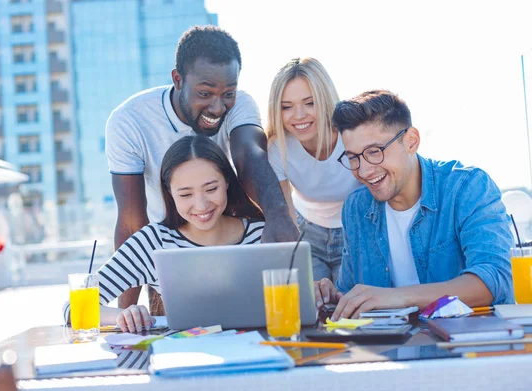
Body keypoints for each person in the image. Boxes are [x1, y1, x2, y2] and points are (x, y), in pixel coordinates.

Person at [105, 25, 296, 310]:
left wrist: (279, 217)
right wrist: (126, 312)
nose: (218, 108)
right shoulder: (130, 120)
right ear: (178, 80)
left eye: (227, 93)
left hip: (234, 251)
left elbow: (250, 157)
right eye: (205, 94)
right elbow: (132, 218)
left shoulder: (240, 104)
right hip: (170, 265)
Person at [314, 89, 514, 319]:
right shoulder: (356, 208)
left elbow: (495, 279)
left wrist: (396, 296)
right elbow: (353, 294)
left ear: (411, 141)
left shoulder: (467, 188)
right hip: (390, 348)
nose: (364, 170)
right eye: (353, 157)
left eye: (374, 151)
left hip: (467, 347)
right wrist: (332, 296)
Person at [64, 135, 265, 332]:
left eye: (211, 189)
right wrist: (121, 315)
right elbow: (73, 309)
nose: (201, 205)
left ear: (227, 183)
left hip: (262, 351)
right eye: (186, 194)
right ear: (169, 193)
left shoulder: (263, 234)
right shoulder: (153, 242)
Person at [266, 57, 361, 282]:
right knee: (314, 304)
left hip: (354, 233)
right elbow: (286, 214)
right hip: (307, 235)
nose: (298, 116)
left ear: (325, 99)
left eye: (310, 103)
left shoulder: (352, 134)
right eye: (286, 107)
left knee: (348, 303)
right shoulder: (278, 147)